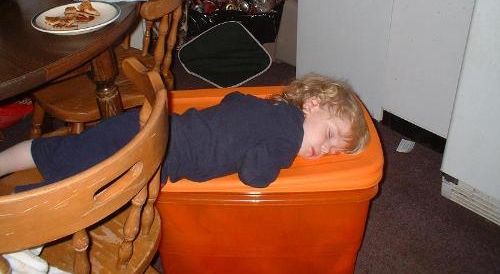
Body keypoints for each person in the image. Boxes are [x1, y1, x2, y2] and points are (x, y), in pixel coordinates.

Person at [0, 74, 370, 190]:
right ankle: (23, 228)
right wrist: (278, 163)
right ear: (314, 105)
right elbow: (254, 175)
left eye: (337, 150)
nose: (327, 148)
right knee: (76, 189)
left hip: (147, 128)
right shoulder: (286, 139)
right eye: (332, 135)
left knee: (70, 155)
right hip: (150, 152)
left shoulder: (273, 107)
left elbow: (234, 98)